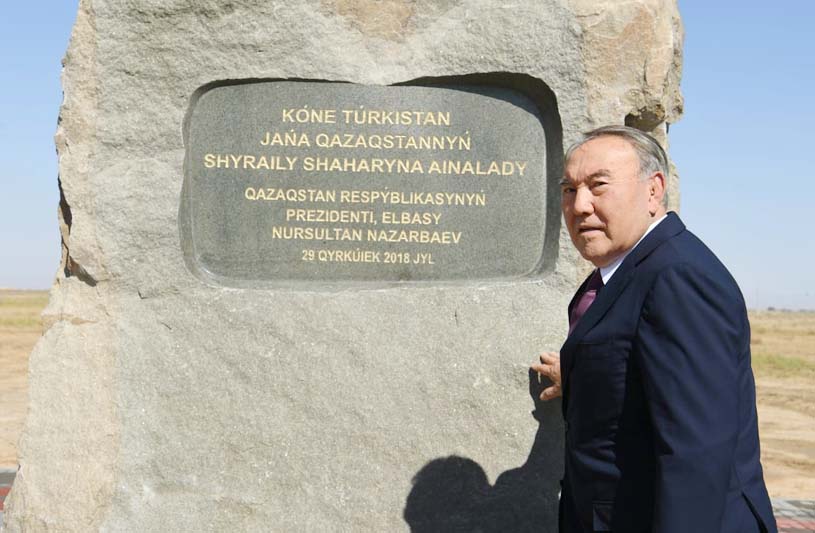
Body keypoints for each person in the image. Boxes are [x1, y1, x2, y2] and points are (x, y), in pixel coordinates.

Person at [531, 126, 777, 532]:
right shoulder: (627, 270)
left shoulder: (678, 277)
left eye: (598, 186)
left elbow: (697, 451)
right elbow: (640, 378)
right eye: (569, 189)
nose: (580, 206)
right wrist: (578, 375)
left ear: (653, 189)